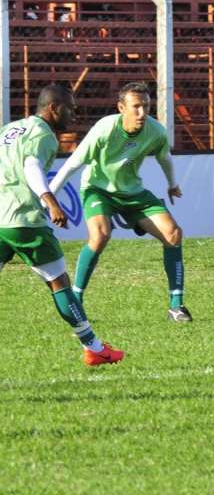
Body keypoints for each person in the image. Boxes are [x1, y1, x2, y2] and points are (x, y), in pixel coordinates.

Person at [0, 84, 124, 365]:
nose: (75, 114)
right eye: (70, 108)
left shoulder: (10, 129)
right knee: (60, 283)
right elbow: (31, 166)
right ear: (53, 108)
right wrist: (51, 201)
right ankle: (93, 347)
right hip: (23, 221)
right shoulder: (43, 135)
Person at [49, 81, 191, 322]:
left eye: (146, 106)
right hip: (98, 190)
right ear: (121, 108)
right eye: (136, 106)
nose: (142, 113)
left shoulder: (155, 130)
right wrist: (49, 196)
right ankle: (76, 299)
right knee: (100, 235)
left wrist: (172, 183)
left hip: (133, 193)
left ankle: (176, 306)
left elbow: (164, 156)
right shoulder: (105, 129)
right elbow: (73, 163)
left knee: (173, 233)